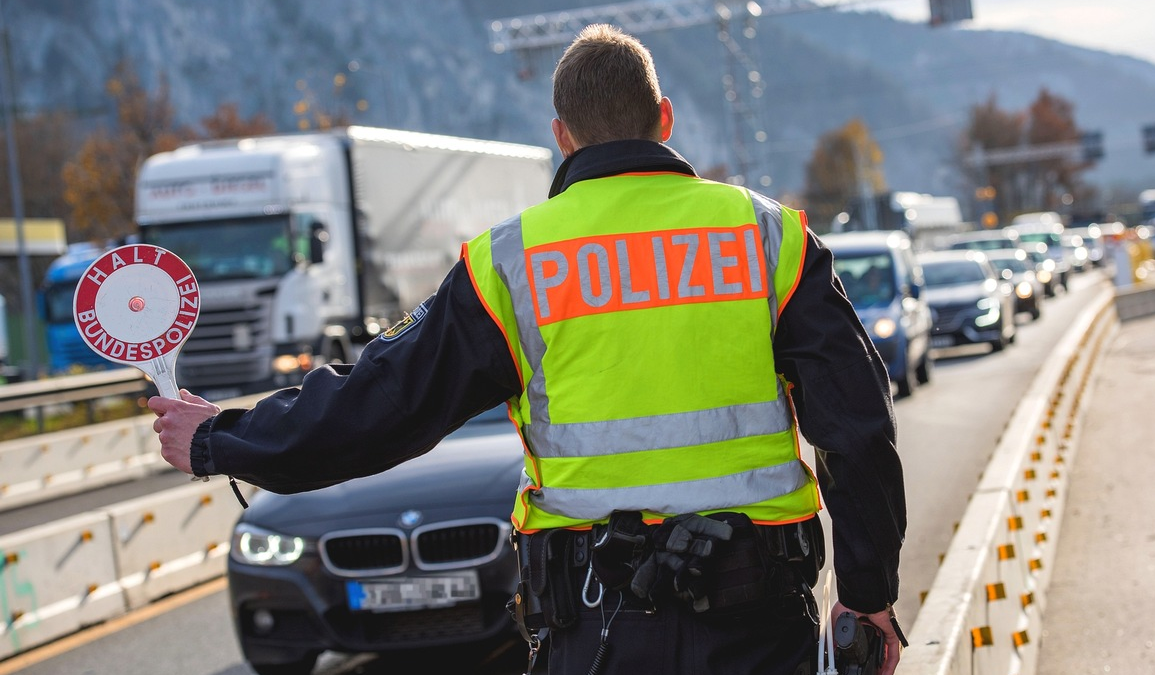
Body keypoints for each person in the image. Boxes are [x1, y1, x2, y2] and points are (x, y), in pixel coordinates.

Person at [150, 23, 906, 675]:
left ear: (562, 135)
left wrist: (222, 436)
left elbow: (378, 404)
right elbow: (858, 426)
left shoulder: (510, 264)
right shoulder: (767, 236)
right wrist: (869, 595)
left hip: (595, 622)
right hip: (756, 620)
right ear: (664, 120)